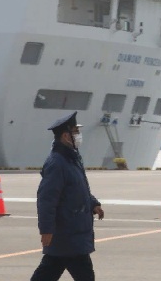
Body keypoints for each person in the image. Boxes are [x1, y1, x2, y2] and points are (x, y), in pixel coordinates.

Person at [30, 111, 104, 281]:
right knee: (83, 275)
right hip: (67, 232)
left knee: (49, 270)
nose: (78, 135)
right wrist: (46, 230)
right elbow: (46, 200)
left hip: (72, 232)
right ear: (65, 135)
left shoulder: (71, 158)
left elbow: (78, 189)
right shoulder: (57, 163)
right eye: (75, 132)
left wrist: (93, 203)